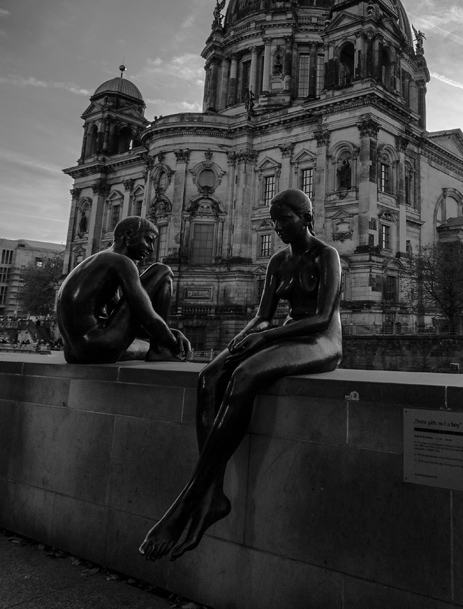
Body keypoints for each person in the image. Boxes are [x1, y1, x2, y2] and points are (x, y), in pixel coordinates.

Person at [140, 189, 342, 561]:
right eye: (275, 221)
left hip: (321, 341)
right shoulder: (278, 261)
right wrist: (246, 334)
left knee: (246, 375)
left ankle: (189, 500)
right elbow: (265, 313)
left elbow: (322, 318)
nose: (279, 228)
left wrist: (263, 336)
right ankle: (212, 494)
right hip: (285, 333)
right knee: (210, 376)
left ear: (306, 217)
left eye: (286, 220)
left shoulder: (327, 255)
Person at [56, 216, 191, 364]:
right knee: (162, 271)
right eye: (148, 240)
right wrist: (172, 343)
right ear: (128, 235)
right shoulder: (122, 262)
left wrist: (171, 333)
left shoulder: (101, 260)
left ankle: (159, 346)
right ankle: (161, 350)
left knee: (144, 347)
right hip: (100, 345)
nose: (151, 248)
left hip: (75, 353)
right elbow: (146, 315)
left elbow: (129, 322)